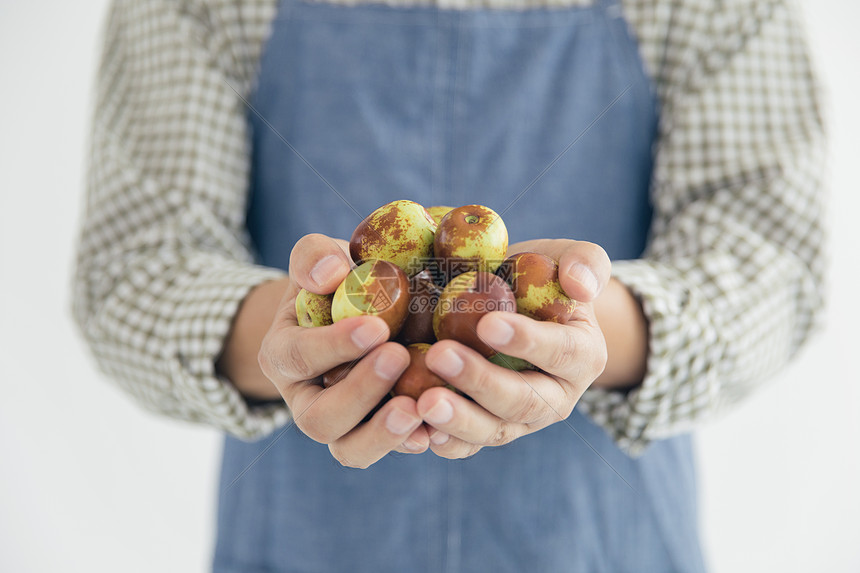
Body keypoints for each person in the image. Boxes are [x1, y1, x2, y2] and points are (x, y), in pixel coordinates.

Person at [72, 0, 825, 570]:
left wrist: (583, 326)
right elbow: (132, 270)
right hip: (301, 537)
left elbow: (773, 263)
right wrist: (301, 336)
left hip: (601, 540)